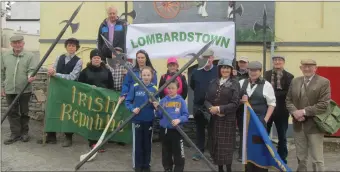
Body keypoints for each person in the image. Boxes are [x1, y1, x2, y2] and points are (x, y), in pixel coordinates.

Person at [37, 37, 83, 147]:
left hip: (69, 90)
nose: (71, 47)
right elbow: (53, 69)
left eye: (73, 46)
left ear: (76, 48)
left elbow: (72, 77)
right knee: (53, 110)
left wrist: (56, 74)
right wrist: (51, 71)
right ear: (66, 47)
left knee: (68, 113)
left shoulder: (79, 61)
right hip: (56, 89)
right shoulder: (59, 57)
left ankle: (68, 137)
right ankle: (51, 136)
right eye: (69, 45)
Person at [286, 59, 330, 172]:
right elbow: (288, 100)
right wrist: (295, 112)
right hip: (298, 125)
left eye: (310, 66)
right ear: (301, 68)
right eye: (304, 66)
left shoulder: (324, 82)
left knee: (317, 159)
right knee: (301, 157)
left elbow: (323, 104)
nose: (307, 69)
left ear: (315, 68)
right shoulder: (295, 81)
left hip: (314, 126)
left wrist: (303, 112)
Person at [1, 35, 39, 145]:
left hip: (24, 89)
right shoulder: (5, 55)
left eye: (19, 42)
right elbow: (1, 72)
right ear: (11, 44)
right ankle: (15, 134)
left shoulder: (30, 56)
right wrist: (1, 86)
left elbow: (32, 69)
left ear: (23, 43)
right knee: (12, 112)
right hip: (9, 88)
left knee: (24, 112)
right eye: (15, 43)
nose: (17, 45)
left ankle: (24, 133)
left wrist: (30, 76)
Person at [239, 61, 276, 172]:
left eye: (256, 70)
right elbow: (235, 100)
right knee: (246, 146)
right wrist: (241, 100)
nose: (253, 72)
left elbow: (272, 104)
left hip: (259, 121)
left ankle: (261, 169)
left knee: (259, 146)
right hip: (245, 122)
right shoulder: (241, 82)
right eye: (251, 70)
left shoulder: (267, 85)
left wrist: (265, 120)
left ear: (260, 71)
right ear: (248, 71)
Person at [204, 58, 240, 172]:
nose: (225, 70)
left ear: (231, 70)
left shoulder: (235, 83)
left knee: (226, 147)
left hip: (227, 120)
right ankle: (220, 169)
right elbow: (206, 100)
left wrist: (219, 109)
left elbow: (235, 103)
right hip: (214, 119)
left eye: (227, 68)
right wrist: (211, 108)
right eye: (223, 67)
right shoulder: (213, 82)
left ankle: (228, 169)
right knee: (216, 145)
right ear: (220, 69)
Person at [77, 49, 115, 152]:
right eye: (94, 58)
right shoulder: (85, 72)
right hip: (90, 101)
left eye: (98, 58)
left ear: (101, 59)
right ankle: (93, 142)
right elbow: (80, 86)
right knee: (92, 121)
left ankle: (101, 140)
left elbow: (111, 86)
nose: (97, 60)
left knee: (102, 121)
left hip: (103, 101)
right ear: (91, 59)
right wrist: (89, 88)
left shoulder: (107, 72)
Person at [125, 66, 159, 172]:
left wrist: (155, 104)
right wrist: (132, 109)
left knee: (147, 144)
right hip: (137, 120)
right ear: (140, 75)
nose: (146, 77)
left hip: (149, 120)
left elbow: (158, 104)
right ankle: (137, 165)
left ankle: (146, 164)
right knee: (137, 144)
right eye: (144, 75)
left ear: (152, 76)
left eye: (148, 75)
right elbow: (128, 101)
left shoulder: (154, 89)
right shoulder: (135, 86)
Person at [153, 80, 189, 172]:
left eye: (173, 88)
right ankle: (167, 168)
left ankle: (178, 169)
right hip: (164, 131)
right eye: (169, 88)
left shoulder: (181, 101)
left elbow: (186, 115)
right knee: (166, 152)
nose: (170, 90)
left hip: (177, 131)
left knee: (178, 153)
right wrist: (157, 108)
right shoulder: (164, 101)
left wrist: (179, 120)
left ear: (177, 89)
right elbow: (159, 115)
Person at [264, 55, 294, 164]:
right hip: (267, 110)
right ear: (272, 62)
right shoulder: (265, 74)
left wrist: (270, 94)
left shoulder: (289, 76)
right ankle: (265, 156)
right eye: (275, 60)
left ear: (283, 62)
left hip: (282, 111)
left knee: (282, 136)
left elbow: (288, 93)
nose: (277, 62)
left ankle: (282, 159)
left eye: (280, 60)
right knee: (264, 135)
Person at [190, 49, 218, 161]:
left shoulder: (217, 71)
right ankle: (199, 152)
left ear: (212, 58)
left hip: (212, 106)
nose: (207, 60)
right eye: (205, 58)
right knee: (199, 130)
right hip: (198, 106)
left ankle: (212, 154)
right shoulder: (196, 72)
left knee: (213, 131)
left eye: (209, 57)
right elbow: (192, 86)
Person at [105, 47, 134, 146]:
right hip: (111, 93)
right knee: (112, 116)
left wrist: (128, 74)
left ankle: (122, 138)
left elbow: (136, 78)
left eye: (118, 54)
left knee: (123, 116)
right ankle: (112, 136)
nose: (116, 56)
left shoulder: (128, 65)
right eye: (114, 53)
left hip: (124, 94)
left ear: (122, 55)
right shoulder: (107, 65)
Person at [233, 56, 249, 162]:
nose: (242, 64)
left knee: (243, 129)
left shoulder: (250, 74)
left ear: (247, 64)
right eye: (241, 62)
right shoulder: (233, 73)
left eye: (244, 63)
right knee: (229, 128)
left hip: (243, 106)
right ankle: (228, 151)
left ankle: (241, 153)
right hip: (233, 105)